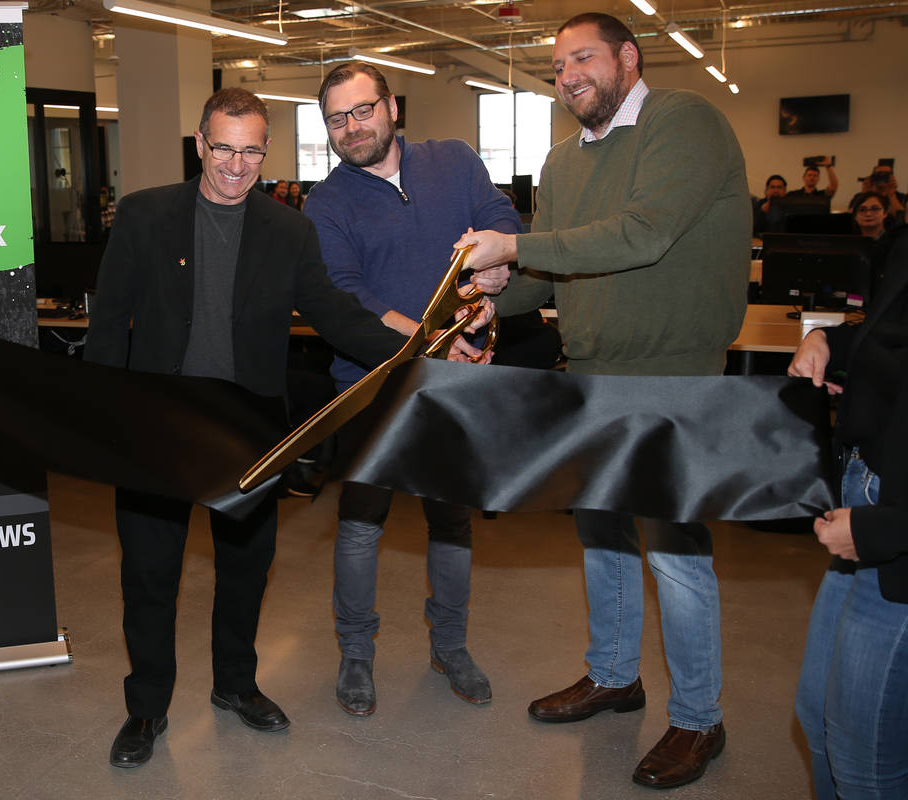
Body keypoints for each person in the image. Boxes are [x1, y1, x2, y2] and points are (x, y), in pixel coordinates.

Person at [454, 12, 750, 789]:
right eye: (557, 67)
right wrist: (494, 300)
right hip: (588, 370)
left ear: (628, 56)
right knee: (603, 537)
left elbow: (642, 234)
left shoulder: (683, 123)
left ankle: (699, 717)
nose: (568, 76)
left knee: (676, 555)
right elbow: (556, 271)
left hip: (673, 376)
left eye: (582, 58)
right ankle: (615, 675)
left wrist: (514, 246)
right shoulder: (562, 160)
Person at [84, 88, 410, 770]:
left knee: (244, 571)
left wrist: (414, 348)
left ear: (267, 151)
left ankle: (235, 684)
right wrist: (107, 421)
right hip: (158, 427)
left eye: (252, 151)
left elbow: (333, 313)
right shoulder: (145, 216)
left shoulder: (288, 230)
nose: (236, 166)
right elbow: (109, 323)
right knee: (149, 575)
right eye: (224, 149)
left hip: (247, 434)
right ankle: (146, 707)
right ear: (200, 144)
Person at [304, 61, 520, 716]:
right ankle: (356, 653)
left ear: (392, 107)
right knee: (360, 525)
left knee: (451, 522)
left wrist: (494, 270)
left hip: (453, 386)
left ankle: (450, 646)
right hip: (371, 386)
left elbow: (500, 220)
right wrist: (434, 339)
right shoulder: (326, 204)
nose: (351, 127)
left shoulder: (453, 161)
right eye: (336, 119)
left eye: (362, 110)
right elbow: (349, 297)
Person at [790, 226, 908, 799]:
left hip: (892, 534)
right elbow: (890, 336)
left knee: (866, 757)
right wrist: (828, 342)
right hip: (866, 499)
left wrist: (885, 529)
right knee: (817, 715)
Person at [849, 163, 906, 232]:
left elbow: (901, 218)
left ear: (892, 177)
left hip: (893, 233)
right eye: (879, 174)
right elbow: (851, 217)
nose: (881, 177)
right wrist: (865, 195)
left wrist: (892, 195)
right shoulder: (860, 196)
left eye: (886, 175)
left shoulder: (901, 197)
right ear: (872, 176)